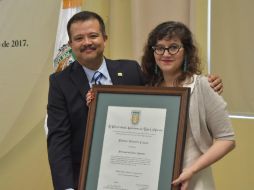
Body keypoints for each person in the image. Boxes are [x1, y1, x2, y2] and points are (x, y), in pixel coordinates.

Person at [47, 11, 223, 190]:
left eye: (93, 35)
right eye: (79, 38)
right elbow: (58, 141)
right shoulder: (59, 83)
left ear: (104, 38)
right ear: (70, 44)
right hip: (87, 180)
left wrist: (208, 82)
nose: (87, 42)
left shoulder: (131, 70)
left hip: (142, 176)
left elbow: (166, 91)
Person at [141, 21, 235, 190]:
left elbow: (227, 140)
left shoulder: (203, 86)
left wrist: (191, 170)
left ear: (186, 52)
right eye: (159, 48)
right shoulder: (149, 89)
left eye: (173, 47)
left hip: (194, 180)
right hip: (153, 179)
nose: (166, 53)